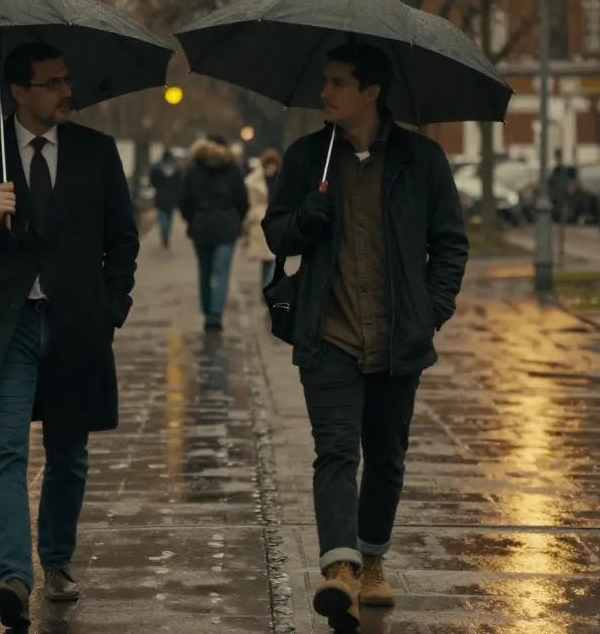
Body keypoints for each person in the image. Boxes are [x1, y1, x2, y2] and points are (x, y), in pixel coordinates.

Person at [261, 40, 468, 632]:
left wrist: (432, 310)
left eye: (336, 83)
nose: (323, 93)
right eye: (323, 80)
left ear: (371, 92)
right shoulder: (307, 158)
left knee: (387, 459)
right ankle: (340, 572)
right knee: (335, 452)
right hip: (328, 335)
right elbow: (276, 233)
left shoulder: (421, 160)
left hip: (399, 337)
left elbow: (450, 241)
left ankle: (372, 557)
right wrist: (305, 220)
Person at [0, 42, 139, 630]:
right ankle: (12, 577)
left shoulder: (96, 152)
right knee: (6, 449)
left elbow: (122, 238)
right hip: (8, 326)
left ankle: (57, 560)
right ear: (19, 92)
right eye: (51, 83)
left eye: (66, 79)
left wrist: (111, 308)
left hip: (77, 325)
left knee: (69, 455)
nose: (64, 91)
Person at [179, 136, 248, 332]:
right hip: (227, 225)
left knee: (205, 270)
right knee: (222, 272)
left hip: (201, 225)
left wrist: (192, 218)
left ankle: (207, 310)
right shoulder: (233, 169)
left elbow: (184, 200)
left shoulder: (193, 170)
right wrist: (236, 219)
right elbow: (242, 199)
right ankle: (216, 315)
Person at [244, 148, 282, 288]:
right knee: (267, 258)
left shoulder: (281, 180)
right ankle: (267, 285)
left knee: (273, 257)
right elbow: (249, 202)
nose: (271, 168)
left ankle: (269, 286)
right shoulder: (254, 181)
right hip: (260, 221)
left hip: (276, 220)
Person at [149, 149, 184, 249]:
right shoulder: (177, 169)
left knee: (162, 216)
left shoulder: (156, 168)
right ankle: (167, 231)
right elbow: (180, 183)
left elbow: (152, 181)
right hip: (172, 197)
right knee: (169, 216)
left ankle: (164, 231)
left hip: (160, 195)